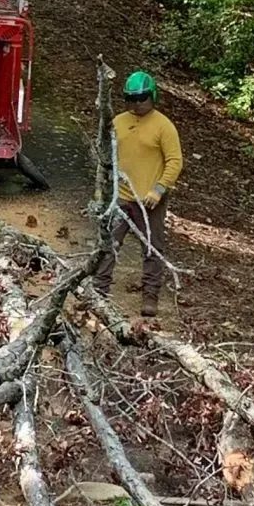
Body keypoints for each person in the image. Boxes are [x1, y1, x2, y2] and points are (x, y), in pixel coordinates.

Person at [93, 68, 183, 322]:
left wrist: (159, 188)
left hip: (150, 199)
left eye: (141, 98)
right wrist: (102, 190)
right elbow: (104, 156)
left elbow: (175, 161)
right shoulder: (118, 122)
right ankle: (99, 290)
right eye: (130, 99)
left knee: (153, 248)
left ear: (152, 97)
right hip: (120, 197)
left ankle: (150, 297)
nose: (136, 103)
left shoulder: (164, 126)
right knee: (108, 244)